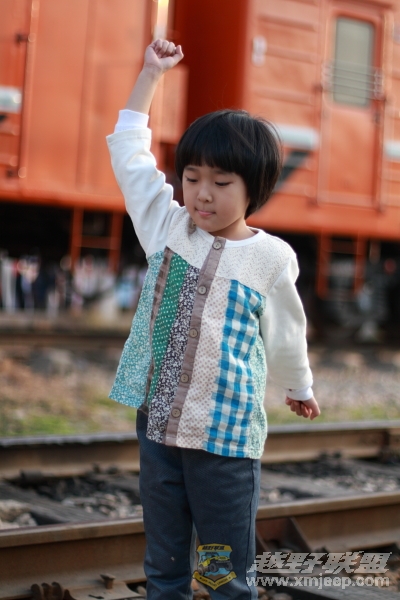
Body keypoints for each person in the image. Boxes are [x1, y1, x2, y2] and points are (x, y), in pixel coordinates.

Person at [107, 39, 320, 600]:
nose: (202, 195)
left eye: (221, 184)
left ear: (255, 189)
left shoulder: (270, 258)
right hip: (159, 424)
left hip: (226, 439)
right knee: (165, 561)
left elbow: (286, 331)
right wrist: (150, 76)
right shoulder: (167, 227)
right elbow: (130, 156)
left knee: (225, 569)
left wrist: (297, 385)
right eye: (192, 177)